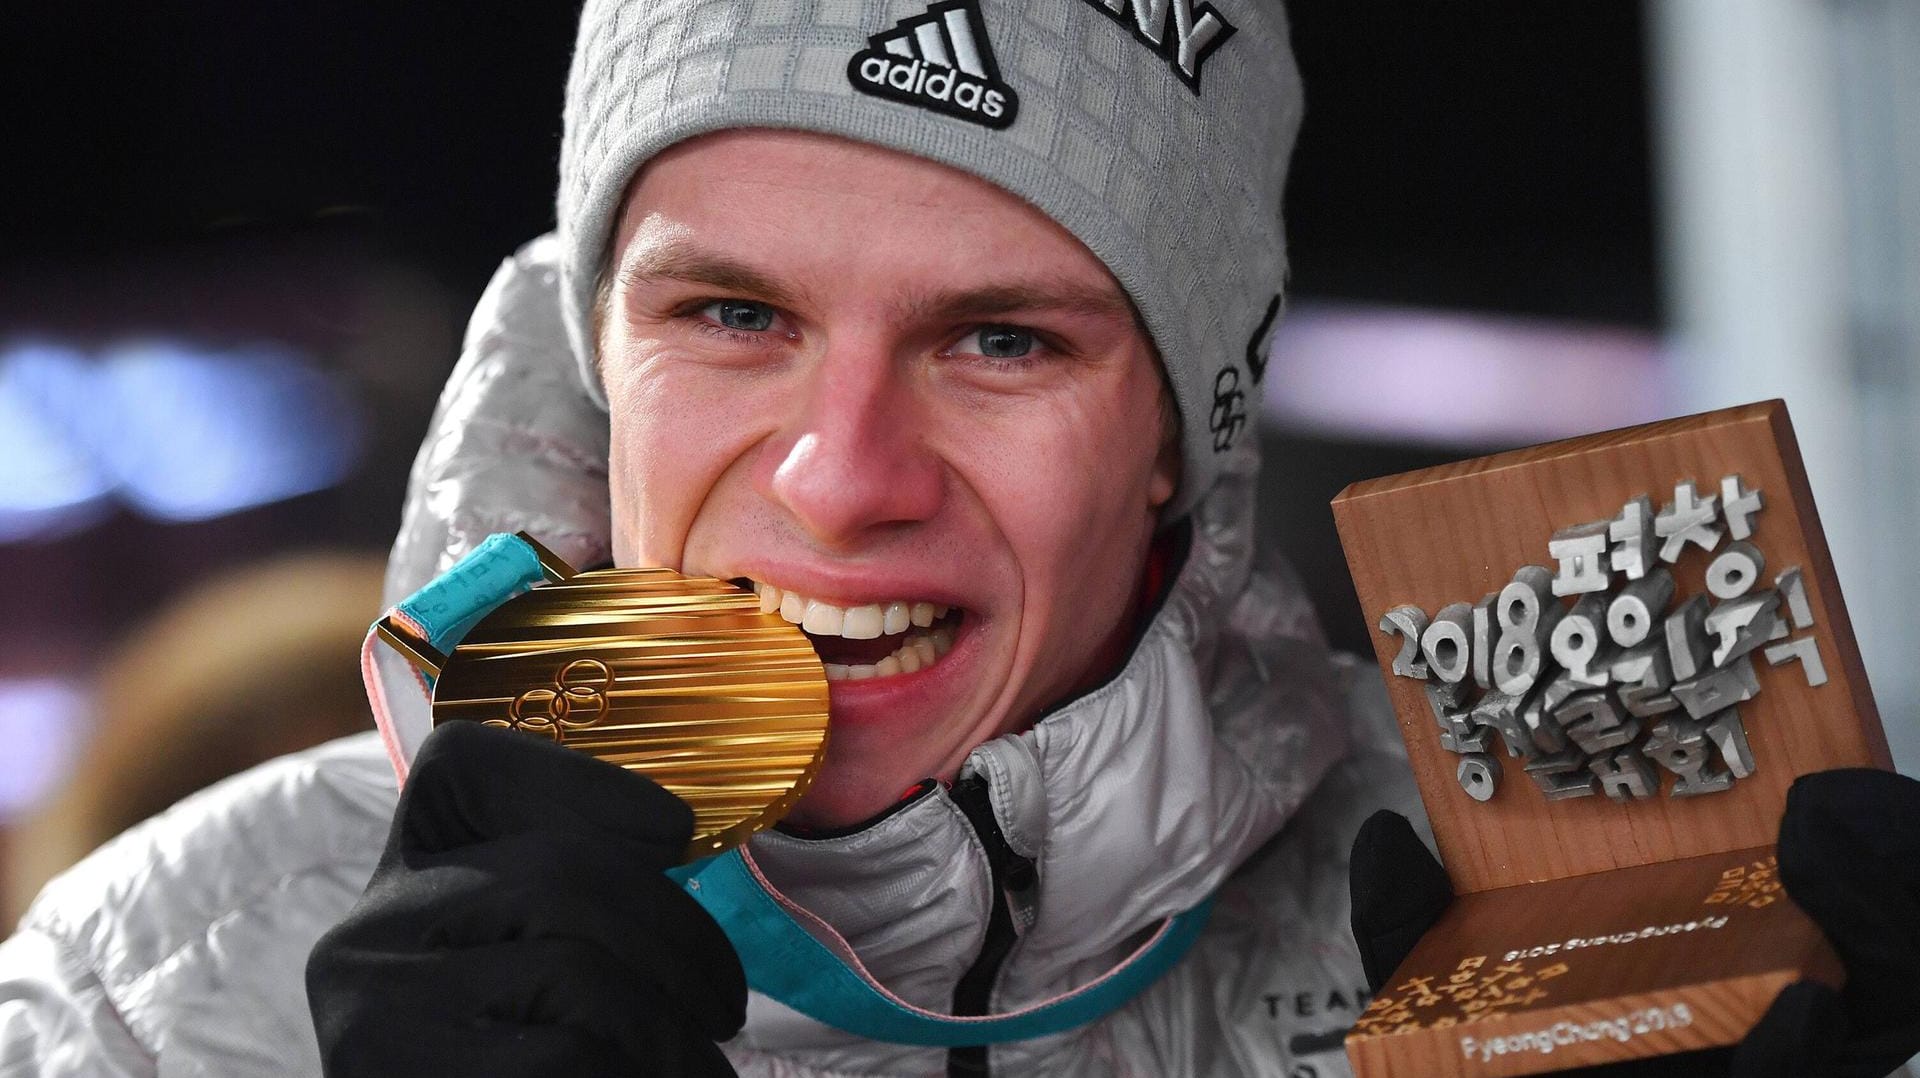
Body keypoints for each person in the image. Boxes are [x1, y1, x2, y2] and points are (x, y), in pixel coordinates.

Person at [1, 1, 1915, 1076]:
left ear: (1185, 438)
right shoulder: (143, 989)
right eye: (731, 316)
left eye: (1000, 339)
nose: (844, 476)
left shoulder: (1527, 926)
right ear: (598, 363)